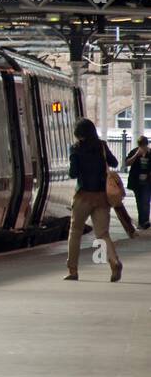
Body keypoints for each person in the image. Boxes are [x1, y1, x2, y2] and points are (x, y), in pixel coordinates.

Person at [66, 118, 122, 282]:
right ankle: (114, 261)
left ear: (78, 133)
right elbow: (114, 162)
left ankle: (73, 270)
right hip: (101, 197)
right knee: (103, 233)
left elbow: (73, 173)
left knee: (75, 232)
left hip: (83, 195)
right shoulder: (102, 146)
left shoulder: (76, 149)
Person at [126, 136, 151, 230]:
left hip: (147, 181)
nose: (143, 147)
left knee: (145, 200)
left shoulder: (150, 153)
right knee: (139, 201)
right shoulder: (134, 152)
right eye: (141, 145)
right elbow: (127, 163)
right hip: (136, 181)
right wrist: (136, 155)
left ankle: (145, 221)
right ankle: (143, 221)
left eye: (144, 145)